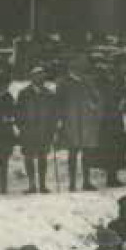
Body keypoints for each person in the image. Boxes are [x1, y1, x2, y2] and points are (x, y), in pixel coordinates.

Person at [57, 62, 102, 192]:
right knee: (73, 153)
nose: (78, 71)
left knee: (87, 153)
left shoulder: (87, 82)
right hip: (71, 122)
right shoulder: (64, 83)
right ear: (70, 69)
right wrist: (60, 120)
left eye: (80, 68)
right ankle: (72, 183)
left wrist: (94, 105)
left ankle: (86, 182)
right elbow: (58, 103)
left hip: (86, 122)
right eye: (75, 69)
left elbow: (97, 98)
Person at [16, 67, 59, 194]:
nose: (40, 79)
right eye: (37, 76)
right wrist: (22, 126)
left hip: (44, 131)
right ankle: (32, 185)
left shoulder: (49, 94)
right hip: (28, 131)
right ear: (32, 78)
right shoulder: (24, 93)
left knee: (43, 158)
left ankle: (42, 184)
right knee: (29, 158)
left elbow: (54, 113)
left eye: (42, 76)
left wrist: (52, 128)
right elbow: (18, 112)